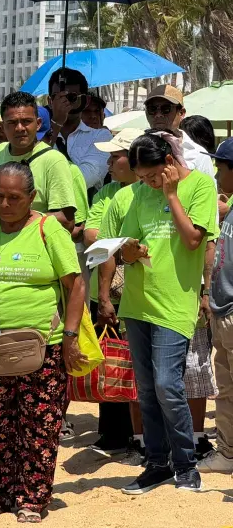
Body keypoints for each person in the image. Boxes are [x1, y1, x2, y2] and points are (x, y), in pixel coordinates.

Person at [0, 162, 86, 523]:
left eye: (14, 197)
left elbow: (75, 286)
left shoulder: (49, 230)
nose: (6, 204)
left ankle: (32, 499)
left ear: (32, 197)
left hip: (44, 348)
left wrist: (70, 338)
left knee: (39, 427)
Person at [116, 133, 217, 495]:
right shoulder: (140, 194)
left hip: (175, 303)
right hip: (138, 303)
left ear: (170, 163)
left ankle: (186, 463)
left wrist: (172, 195)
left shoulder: (201, 187)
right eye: (142, 178)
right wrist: (129, 251)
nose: (148, 184)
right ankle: (156, 463)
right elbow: (126, 244)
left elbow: (194, 241)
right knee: (145, 390)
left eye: (153, 177)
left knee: (167, 385)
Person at [83, 128, 145, 457]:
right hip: (103, 291)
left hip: (137, 293)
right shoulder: (106, 191)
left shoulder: (148, 193)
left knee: (134, 366)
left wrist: (114, 241)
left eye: (114, 156)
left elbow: (108, 239)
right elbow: (93, 235)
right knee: (107, 360)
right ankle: (112, 434)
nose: (108, 162)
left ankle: (138, 437)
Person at [0, 92, 77, 232]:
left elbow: (66, 221)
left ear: (38, 124)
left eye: (26, 121)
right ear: (3, 126)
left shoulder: (54, 161)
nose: (19, 128)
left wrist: (11, 216)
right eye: (12, 123)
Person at [200, 137, 233, 472]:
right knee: (225, 388)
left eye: (221, 167)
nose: (216, 173)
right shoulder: (230, 207)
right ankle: (227, 452)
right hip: (223, 311)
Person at [46, 68, 113, 190]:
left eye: (71, 98)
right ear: (50, 101)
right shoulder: (37, 137)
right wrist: (56, 124)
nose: (64, 103)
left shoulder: (101, 137)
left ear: (85, 101)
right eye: (58, 98)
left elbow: (84, 179)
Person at [143, 84, 215, 179]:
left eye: (166, 109)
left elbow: (209, 191)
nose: (158, 115)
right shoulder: (137, 148)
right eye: (152, 109)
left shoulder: (198, 154)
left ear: (181, 113)